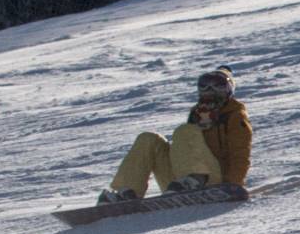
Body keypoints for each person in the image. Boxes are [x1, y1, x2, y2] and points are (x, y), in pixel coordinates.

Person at [100, 67, 252, 205]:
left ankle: (195, 179)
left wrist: (233, 186)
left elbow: (241, 153)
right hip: (178, 183)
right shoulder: (196, 115)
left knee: (185, 131)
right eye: (204, 85)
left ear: (228, 89)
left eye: (217, 85)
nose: (209, 90)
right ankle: (126, 192)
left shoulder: (234, 116)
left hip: (214, 182)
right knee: (149, 138)